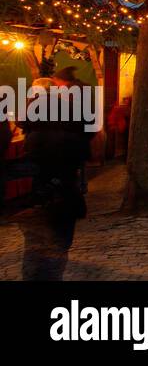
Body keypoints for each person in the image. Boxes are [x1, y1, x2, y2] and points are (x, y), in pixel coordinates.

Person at [18, 77, 93, 280]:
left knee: (35, 249)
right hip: (65, 194)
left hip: (36, 197)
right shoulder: (75, 129)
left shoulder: (33, 132)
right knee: (58, 246)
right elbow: (85, 153)